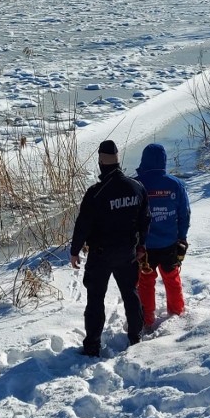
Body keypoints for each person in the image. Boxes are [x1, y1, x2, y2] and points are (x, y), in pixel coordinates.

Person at [70, 140, 151, 357]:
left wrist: (74, 250)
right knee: (131, 294)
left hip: (101, 255)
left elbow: (83, 225)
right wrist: (142, 245)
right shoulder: (137, 187)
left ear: (100, 163)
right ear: (117, 161)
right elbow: (146, 219)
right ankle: (136, 335)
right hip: (128, 253)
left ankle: (92, 346)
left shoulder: (96, 193)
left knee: (95, 299)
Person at [135, 143, 191, 330]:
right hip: (169, 243)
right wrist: (182, 237)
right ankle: (177, 312)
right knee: (172, 278)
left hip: (145, 247)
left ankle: (146, 318)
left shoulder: (136, 184)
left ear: (144, 160)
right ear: (164, 161)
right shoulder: (175, 184)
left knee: (145, 281)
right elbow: (184, 213)